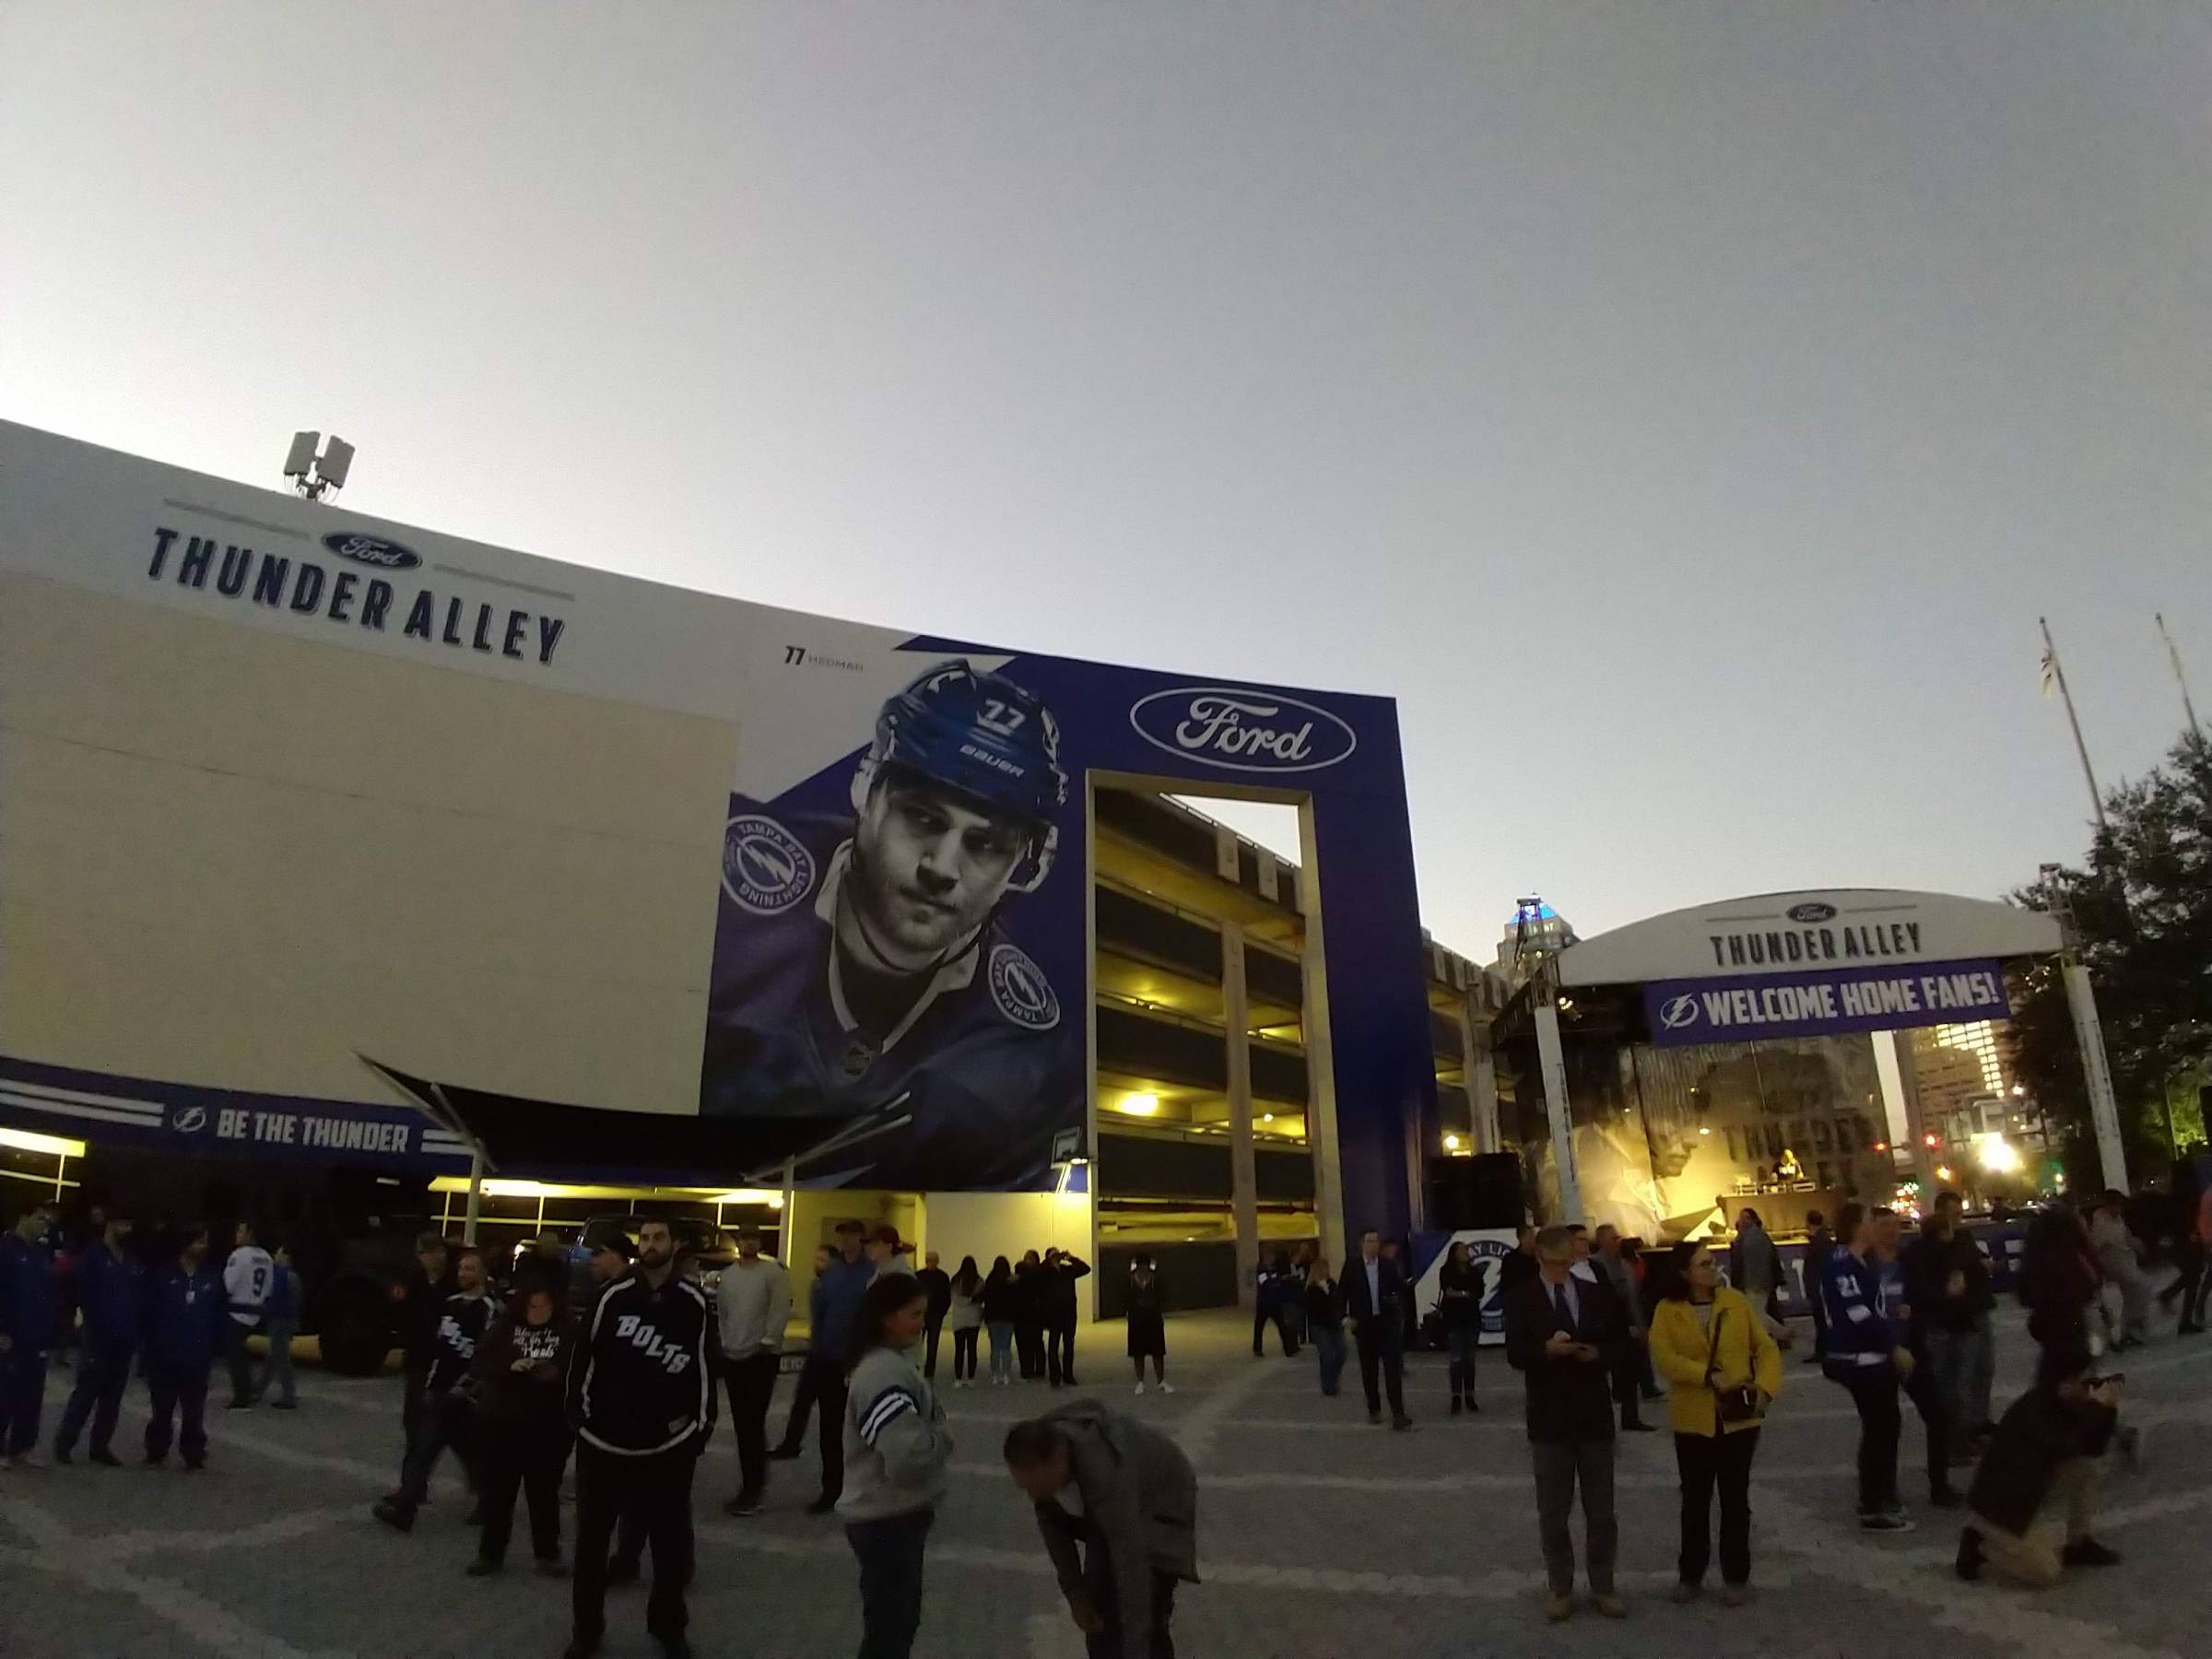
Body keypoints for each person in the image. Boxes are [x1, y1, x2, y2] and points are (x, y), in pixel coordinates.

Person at [699, 660, 1081, 1194]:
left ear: (1026, 865)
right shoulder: (718, 890)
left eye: (985, 845)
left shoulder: (1025, 1048)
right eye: (923, 818)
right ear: (867, 790)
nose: (942, 869)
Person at [565, 1217, 716, 1659]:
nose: (650, 1245)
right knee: (591, 1546)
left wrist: (700, 1428)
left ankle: (668, 1627)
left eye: (658, 1237)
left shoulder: (694, 1303)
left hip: (666, 1449)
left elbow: (705, 1369)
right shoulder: (611, 1296)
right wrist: (580, 1418)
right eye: (645, 1238)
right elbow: (583, 1357)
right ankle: (586, 1632)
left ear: (675, 1244)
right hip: (605, 1445)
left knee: (668, 1548)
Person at [1006, 1402, 1200, 1659]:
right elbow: (1054, 1529)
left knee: (1149, 1616)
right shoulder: (1042, 1451)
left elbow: (1132, 1566)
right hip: (1106, 1514)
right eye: (1025, 1489)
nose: (1032, 1496)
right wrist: (1076, 1595)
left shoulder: (1106, 1473)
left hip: (1161, 1510)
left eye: (1035, 1487)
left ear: (1056, 1460)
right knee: (1099, 1614)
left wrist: (1136, 1651)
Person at [1504, 1224, 1629, 1621]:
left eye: (1566, 1263)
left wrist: (1600, 1354)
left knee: (1602, 1512)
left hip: (1593, 1414)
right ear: (1539, 1257)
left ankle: (1603, 1585)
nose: (1560, 1270)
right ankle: (1560, 1586)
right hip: (1549, 1418)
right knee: (1553, 1512)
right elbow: (1514, 1351)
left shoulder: (1594, 1291)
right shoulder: (1522, 1297)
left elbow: (1621, 1342)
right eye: (1553, 1263)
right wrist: (1545, 1350)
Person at [1649, 1241, 1781, 1605]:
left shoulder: (1734, 1302)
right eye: (1703, 1263)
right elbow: (1664, 1357)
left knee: (1735, 1499)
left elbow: (1765, 1348)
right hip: (1693, 1420)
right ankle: (1691, 1574)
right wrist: (1704, 1375)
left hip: (1739, 1419)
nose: (1711, 1268)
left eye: (1712, 1262)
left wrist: (1765, 1389)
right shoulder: (1668, 1310)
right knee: (1695, 1500)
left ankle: (1736, 1576)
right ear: (1684, 1272)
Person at [841, 1271, 953, 1659]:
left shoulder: (883, 1365)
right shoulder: (883, 1372)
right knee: (891, 1631)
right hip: (887, 1518)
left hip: (888, 1516)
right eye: (914, 1314)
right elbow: (907, 1459)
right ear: (886, 1318)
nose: (922, 1323)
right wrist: (942, 1436)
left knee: (892, 1625)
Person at [1956, 1339, 2123, 1587]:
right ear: (2064, 1384)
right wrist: (2097, 1409)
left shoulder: (2064, 1403)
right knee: (2045, 1573)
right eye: (2083, 1379)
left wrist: (2108, 1411)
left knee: (2085, 1466)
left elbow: (2093, 1449)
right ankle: (1980, 1543)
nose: (2089, 1385)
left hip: (2030, 1490)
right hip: (2001, 1506)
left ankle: (2079, 1542)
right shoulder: (2036, 1410)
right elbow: (2063, 1445)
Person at [376, 1242, 500, 1532]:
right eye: (462, 1268)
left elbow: (488, 1352)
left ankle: (486, 1499)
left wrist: (472, 1387)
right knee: (427, 1446)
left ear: (482, 1274)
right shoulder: (451, 1303)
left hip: (466, 1394)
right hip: (441, 1389)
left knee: (466, 1449)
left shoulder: (488, 1308)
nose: (464, 1273)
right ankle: (407, 1505)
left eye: (470, 1269)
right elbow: (439, 1346)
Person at [1819, 1202, 1921, 1533]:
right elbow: (1857, 1313)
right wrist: (1892, 1346)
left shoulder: (1864, 1263)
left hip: (1872, 1355)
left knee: (1886, 1425)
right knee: (1880, 1428)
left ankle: (1883, 1494)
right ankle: (1874, 1502)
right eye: (1867, 1221)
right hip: (1858, 1358)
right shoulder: (1841, 1264)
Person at [470, 1282, 576, 1578]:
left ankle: (547, 1553)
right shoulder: (505, 1329)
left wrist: (554, 1371)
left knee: (543, 1493)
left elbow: (576, 1366)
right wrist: (510, 1366)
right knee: (499, 1492)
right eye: (533, 1306)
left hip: (547, 1426)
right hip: (504, 1422)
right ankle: (490, 1554)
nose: (538, 1312)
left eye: (544, 1306)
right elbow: (481, 1360)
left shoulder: (567, 1331)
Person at [777, 1221, 873, 1514]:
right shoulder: (831, 1273)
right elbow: (819, 1315)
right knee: (830, 1429)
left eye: (852, 1235)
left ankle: (864, 1484)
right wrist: (815, 1348)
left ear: (861, 1238)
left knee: (859, 1427)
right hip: (825, 1359)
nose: (846, 1240)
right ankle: (832, 1489)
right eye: (842, 1235)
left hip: (857, 1362)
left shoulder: (871, 1273)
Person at [1873, 1206, 1959, 1509]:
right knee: (1884, 1425)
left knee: (1937, 1415)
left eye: (1895, 1225)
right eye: (1884, 1226)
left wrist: (1916, 1309)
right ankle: (1882, 1491)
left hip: (1912, 1348)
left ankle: (1940, 1484)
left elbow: (1925, 1295)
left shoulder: (1909, 1262)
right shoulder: (1866, 1266)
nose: (1892, 1231)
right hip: (1880, 1353)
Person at [54, 1208, 144, 1465]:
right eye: (123, 1223)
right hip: (97, 1340)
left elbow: (136, 1297)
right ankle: (65, 1443)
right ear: (111, 1224)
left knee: (111, 1400)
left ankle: (100, 1446)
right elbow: (84, 1295)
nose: (128, 1229)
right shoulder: (93, 1256)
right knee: (85, 1394)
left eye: (130, 1224)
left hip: (123, 1341)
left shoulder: (130, 1259)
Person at [715, 1224, 791, 1519]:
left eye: (753, 1238)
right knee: (743, 1426)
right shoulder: (729, 1276)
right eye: (744, 1238)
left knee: (753, 1425)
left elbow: (779, 1309)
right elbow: (723, 1312)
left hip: (760, 1358)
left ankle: (754, 1490)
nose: (748, 1243)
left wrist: (767, 1342)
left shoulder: (773, 1273)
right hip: (733, 1356)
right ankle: (749, 1487)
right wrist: (725, 1343)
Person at [1910, 1194, 1996, 1446]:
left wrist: (1982, 1265)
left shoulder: (1963, 1238)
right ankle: (1959, 1431)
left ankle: (1979, 1419)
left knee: (1984, 1368)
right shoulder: (1929, 1247)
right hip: (1955, 1318)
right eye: (1954, 1215)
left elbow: (1975, 1261)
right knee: (1958, 1377)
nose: (1958, 1220)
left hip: (1977, 1308)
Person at [141, 1225, 225, 1471]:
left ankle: (194, 1452)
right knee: (162, 1408)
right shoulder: (164, 1275)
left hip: (197, 1356)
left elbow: (219, 1311)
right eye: (199, 1242)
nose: (203, 1247)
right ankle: (156, 1449)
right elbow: (150, 1312)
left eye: (205, 1242)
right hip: (165, 1355)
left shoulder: (211, 1277)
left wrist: (215, 1344)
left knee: (194, 1411)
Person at [0, 1203, 58, 1466]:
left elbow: (48, 1294)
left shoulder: (41, 1254)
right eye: (40, 1218)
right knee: (5, 1393)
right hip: (12, 1335)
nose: (44, 1224)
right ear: (24, 1217)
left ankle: (22, 1446)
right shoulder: (6, 1250)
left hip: (37, 1335)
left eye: (47, 1220)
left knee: (31, 1394)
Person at [395, 1231, 453, 1477]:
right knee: (415, 1425)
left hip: (443, 1364)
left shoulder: (449, 1286)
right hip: (418, 1362)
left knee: (448, 1429)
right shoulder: (414, 1280)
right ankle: (411, 1485)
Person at [1341, 1229, 1411, 1430]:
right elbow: (1342, 1293)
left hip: (1386, 1323)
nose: (1374, 1245)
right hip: (1364, 1325)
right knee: (1369, 1371)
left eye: (1376, 1241)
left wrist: (1399, 1294)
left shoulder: (1387, 1265)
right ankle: (1374, 1408)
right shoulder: (1352, 1266)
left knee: (1392, 1369)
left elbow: (1398, 1287)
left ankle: (1398, 1413)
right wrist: (1345, 1317)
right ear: (1361, 1244)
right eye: (1370, 1241)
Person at [1594, 1225, 1653, 1431]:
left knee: (1630, 1374)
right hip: (1609, 1330)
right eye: (1612, 1238)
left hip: (1630, 1329)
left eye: (1618, 1238)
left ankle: (1630, 1418)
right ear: (1601, 1241)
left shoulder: (1625, 1266)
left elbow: (1634, 1299)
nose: (1617, 1242)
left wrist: (1640, 1325)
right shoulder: (1595, 1267)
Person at [218, 1218, 273, 1410]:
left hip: (237, 1312)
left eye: (241, 1231)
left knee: (236, 1357)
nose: (237, 1234)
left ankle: (242, 1397)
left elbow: (228, 1285)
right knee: (242, 1356)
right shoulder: (267, 1257)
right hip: (256, 1312)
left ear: (250, 1234)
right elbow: (268, 1289)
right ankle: (248, 1391)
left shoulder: (239, 1255)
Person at [2088, 1192, 2150, 1349]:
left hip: (2124, 1263)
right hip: (2113, 1265)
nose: (2120, 1209)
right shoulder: (2100, 1221)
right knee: (2136, 1290)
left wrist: (2137, 1244)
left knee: (2137, 1292)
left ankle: (2128, 1331)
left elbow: (2125, 1236)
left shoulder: (2117, 1220)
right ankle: (2122, 1333)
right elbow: (2099, 1244)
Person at [1437, 1241, 1483, 1416]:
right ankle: (1456, 1396)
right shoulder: (1446, 1271)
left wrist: (1461, 1293)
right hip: (1454, 1320)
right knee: (1456, 1359)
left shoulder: (1474, 1271)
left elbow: (1479, 1292)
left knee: (1470, 1359)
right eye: (1462, 1250)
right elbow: (1449, 1291)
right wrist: (1465, 1294)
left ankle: (1470, 1395)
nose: (1466, 1252)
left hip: (1471, 1319)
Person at [259, 1241, 302, 1410]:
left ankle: (288, 1395)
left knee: (281, 1358)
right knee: (274, 1356)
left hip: (279, 1320)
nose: (274, 1257)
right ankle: (259, 1388)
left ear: (285, 1256)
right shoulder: (294, 1276)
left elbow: (274, 1298)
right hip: (289, 1320)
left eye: (278, 1253)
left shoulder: (280, 1275)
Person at [1043, 1246, 1090, 1387]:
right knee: (1053, 1347)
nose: (1057, 1257)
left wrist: (1070, 1258)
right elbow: (1035, 1274)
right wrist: (1048, 1262)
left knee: (1069, 1346)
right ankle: (1055, 1377)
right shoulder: (1045, 1272)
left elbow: (1085, 1269)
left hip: (1069, 1313)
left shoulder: (1067, 1270)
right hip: (1053, 1314)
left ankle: (1068, 1376)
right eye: (1054, 1255)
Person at [1124, 1254, 1171, 1394]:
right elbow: (1123, 1296)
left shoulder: (1156, 1279)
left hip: (1154, 1318)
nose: (1143, 1269)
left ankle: (1161, 1381)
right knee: (1138, 1353)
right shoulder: (1130, 1280)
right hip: (1136, 1319)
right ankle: (1140, 1382)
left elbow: (1164, 1295)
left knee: (1158, 1352)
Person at [1727, 1209, 1782, 1321]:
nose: (1742, 1221)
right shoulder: (1751, 1237)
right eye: (1741, 1218)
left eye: (1746, 1218)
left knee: (1758, 1317)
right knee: (1763, 1314)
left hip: (1755, 1284)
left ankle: (1781, 1333)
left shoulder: (1752, 1238)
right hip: (1759, 1283)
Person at [1305, 1257, 1347, 1397]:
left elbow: (1338, 1302)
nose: (1325, 1272)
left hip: (1334, 1323)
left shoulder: (1332, 1284)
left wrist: (1342, 1316)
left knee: (1342, 1351)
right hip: (1319, 1325)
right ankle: (1328, 1385)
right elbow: (1316, 1307)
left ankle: (1333, 1376)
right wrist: (1324, 1293)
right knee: (1326, 1353)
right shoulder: (1311, 1289)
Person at [982, 1254, 1020, 1385]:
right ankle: (1006, 1375)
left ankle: (995, 1375)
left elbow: (986, 1300)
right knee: (1006, 1347)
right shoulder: (1012, 1281)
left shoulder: (990, 1280)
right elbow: (1016, 1300)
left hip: (993, 1318)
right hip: (1008, 1317)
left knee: (995, 1347)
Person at [946, 1255, 984, 1388]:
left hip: (959, 1319)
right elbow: (980, 1299)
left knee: (959, 1350)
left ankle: (958, 1378)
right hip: (974, 1318)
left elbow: (955, 1299)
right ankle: (971, 1378)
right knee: (972, 1349)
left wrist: (965, 1301)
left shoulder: (955, 1280)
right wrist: (971, 1300)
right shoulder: (979, 1281)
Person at [1252, 1249, 1298, 1359]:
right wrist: (1277, 1280)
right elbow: (1264, 1283)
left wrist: (1278, 1280)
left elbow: (1274, 1281)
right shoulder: (1261, 1269)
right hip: (1264, 1303)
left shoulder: (1274, 1268)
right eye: (1271, 1256)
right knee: (1259, 1326)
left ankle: (1288, 1348)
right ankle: (1257, 1348)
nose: (1273, 1259)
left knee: (1282, 1325)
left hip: (1275, 1302)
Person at [915, 1250, 952, 1379]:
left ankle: (929, 1370)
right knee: (916, 1343)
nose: (930, 1262)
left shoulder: (940, 1277)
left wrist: (942, 1312)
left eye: (932, 1260)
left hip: (935, 1314)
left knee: (932, 1344)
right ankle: (917, 1367)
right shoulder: (919, 1276)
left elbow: (947, 1297)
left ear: (937, 1261)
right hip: (921, 1314)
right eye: (929, 1260)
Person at [1802, 1210, 1832, 1363]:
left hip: (1819, 1286)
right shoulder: (1822, 1239)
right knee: (1820, 1319)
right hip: (1819, 1285)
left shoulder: (1819, 1241)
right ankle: (1823, 1349)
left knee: (1821, 1319)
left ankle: (1824, 1350)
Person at [1015, 1250, 1048, 1382]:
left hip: (1028, 1315)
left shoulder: (1019, 1276)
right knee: (1031, 1343)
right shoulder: (1038, 1275)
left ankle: (1031, 1370)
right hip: (1030, 1314)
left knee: (1030, 1343)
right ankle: (1032, 1370)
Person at [1497, 1224, 1539, 1295]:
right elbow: (1505, 1285)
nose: (1534, 1239)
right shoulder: (1511, 1260)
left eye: (1534, 1235)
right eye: (1530, 1235)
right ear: (1521, 1238)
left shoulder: (1539, 1257)